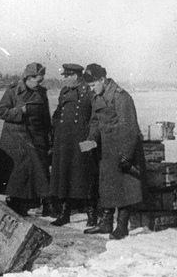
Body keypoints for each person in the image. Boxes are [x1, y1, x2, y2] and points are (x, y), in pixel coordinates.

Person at [79, 64, 147, 240]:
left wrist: (126, 156)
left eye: (94, 84)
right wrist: (91, 140)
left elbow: (130, 129)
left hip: (123, 149)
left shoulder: (121, 97)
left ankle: (122, 227)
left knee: (125, 188)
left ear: (102, 79)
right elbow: (95, 122)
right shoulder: (97, 96)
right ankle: (106, 223)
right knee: (107, 186)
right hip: (106, 151)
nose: (92, 89)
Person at [0, 62, 53, 217]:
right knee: (17, 174)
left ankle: (45, 203)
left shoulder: (41, 93)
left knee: (39, 170)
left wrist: (49, 137)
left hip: (36, 136)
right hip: (15, 138)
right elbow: (2, 112)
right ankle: (17, 203)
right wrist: (20, 111)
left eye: (41, 81)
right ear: (28, 78)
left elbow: (46, 116)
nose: (39, 84)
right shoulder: (13, 91)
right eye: (38, 80)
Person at [49, 63, 99, 227]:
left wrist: (91, 139)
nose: (65, 79)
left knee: (86, 176)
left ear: (76, 76)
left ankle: (92, 214)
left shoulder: (89, 91)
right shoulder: (65, 92)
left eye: (67, 76)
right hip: (64, 141)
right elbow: (57, 114)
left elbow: (95, 118)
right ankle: (65, 213)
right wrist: (55, 130)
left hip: (83, 140)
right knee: (64, 176)